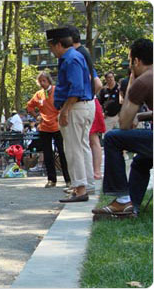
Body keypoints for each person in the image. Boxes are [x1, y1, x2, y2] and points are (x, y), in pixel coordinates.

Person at [93, 38, 152, 217]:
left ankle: (122, 199)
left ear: (136, 61)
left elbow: (124, 124)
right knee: (141, 160)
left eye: (130, 61)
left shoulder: (143, 82)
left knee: (113, 137)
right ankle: (130, 206)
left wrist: (131, 83)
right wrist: (141, 116)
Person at [46, 27, 95, 203]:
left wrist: (65, 111)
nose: (51, 51)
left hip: (75, 107)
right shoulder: (76, 56)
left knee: (73, 149)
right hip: (82, 106)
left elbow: (76, 89)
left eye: (51, 47)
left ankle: (80, 189)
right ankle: (87, 184)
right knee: (82, 147)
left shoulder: (70, 59)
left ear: (59, 44)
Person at [69, 25, 105, 185]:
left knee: (82, 144)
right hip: (89, 102)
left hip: (83, 103)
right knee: (87, 142)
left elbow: (97, 83)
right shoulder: (84, 53)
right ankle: (89, 180)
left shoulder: (76, 55)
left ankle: (84, 182)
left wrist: (87, 97)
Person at [27, 71, 71, 188]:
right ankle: (51, 179)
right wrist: (36, 116)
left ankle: (68, 179)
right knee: (47, 154)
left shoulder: (57, 90)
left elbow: (66, 102)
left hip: (57, 126)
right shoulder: (38, 94)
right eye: (40, 81)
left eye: (44, 81)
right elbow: (29, 106)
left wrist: (61, 114)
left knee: (62, 152)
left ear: (49, 81)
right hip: (44, 127)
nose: (42, 83)